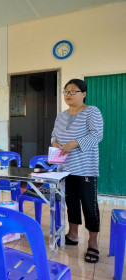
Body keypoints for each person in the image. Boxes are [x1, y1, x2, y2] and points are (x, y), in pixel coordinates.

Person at [51, 79, 103, 263]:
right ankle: (72, 235)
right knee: (71, 203)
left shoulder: (91, 112)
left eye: (73, 91)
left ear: (84, 93)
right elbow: (54, 137)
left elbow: (97, 135)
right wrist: (56, 144)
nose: (69, 95)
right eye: (66, 91)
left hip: (85, 168)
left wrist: (74, 144)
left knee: (89, 206)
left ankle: (93, 242)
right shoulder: (61, 116)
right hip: (65, 168)